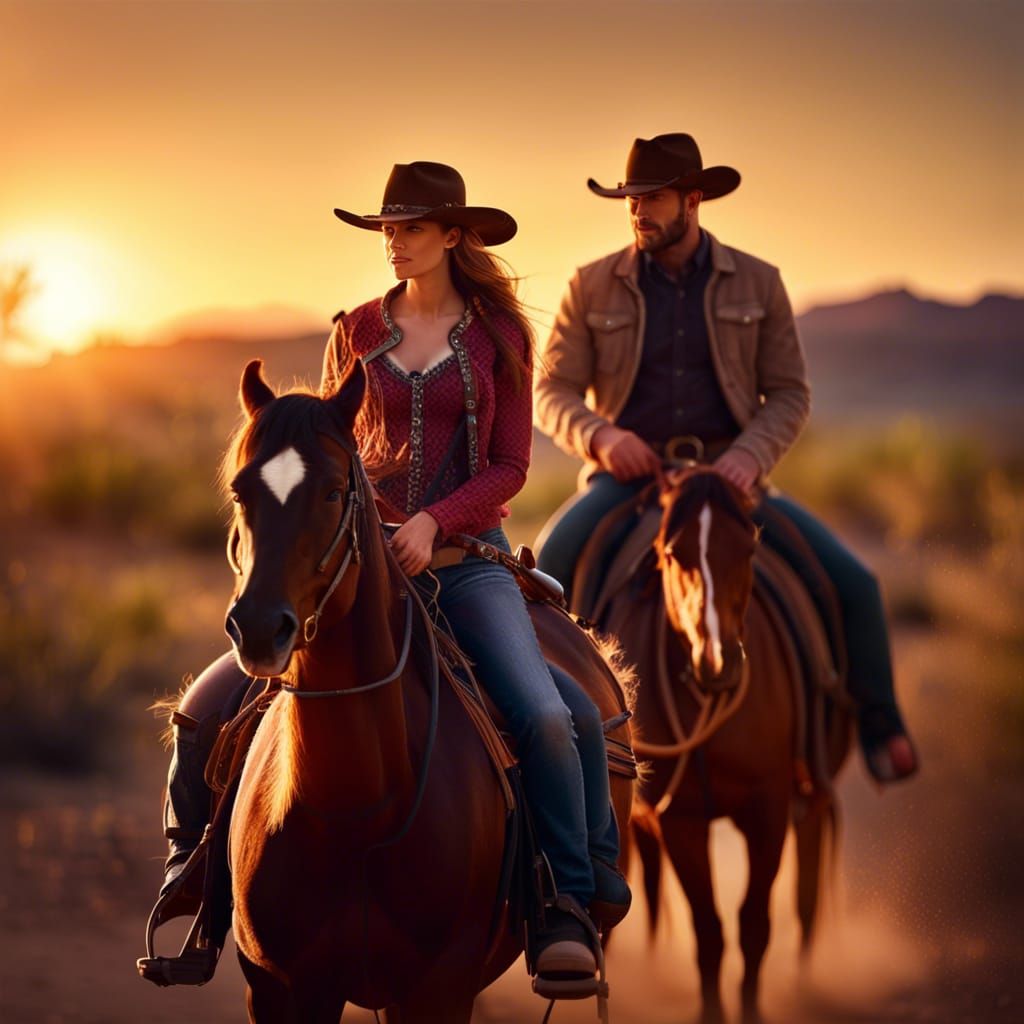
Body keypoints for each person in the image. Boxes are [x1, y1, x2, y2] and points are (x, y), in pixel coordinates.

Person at [155, 162, 628, 988]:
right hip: (357, 564)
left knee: (555, 718)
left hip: (466, 564)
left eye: (411, 228)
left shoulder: (500, 336)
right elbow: (339, 452)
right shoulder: (358, 329)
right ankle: (196, 888)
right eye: (387, 229)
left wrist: (436, 522)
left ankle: (565, 903)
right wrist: (359, 526)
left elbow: (512, 465)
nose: (394, 242)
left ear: (453, 235)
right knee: (206, 708)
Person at [533, 133, 917, 784]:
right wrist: (604, 438)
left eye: (651, 199)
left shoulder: (759, 282)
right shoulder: (591, 285)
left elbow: (790, 392)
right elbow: (552, 391)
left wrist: (747, 457)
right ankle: (550, 744)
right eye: (629, 200)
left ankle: (879, 727)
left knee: (855, 582)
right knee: (547, 570)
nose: (638, 212)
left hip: (731, 480)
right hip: (630, 481)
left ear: (693, 199)